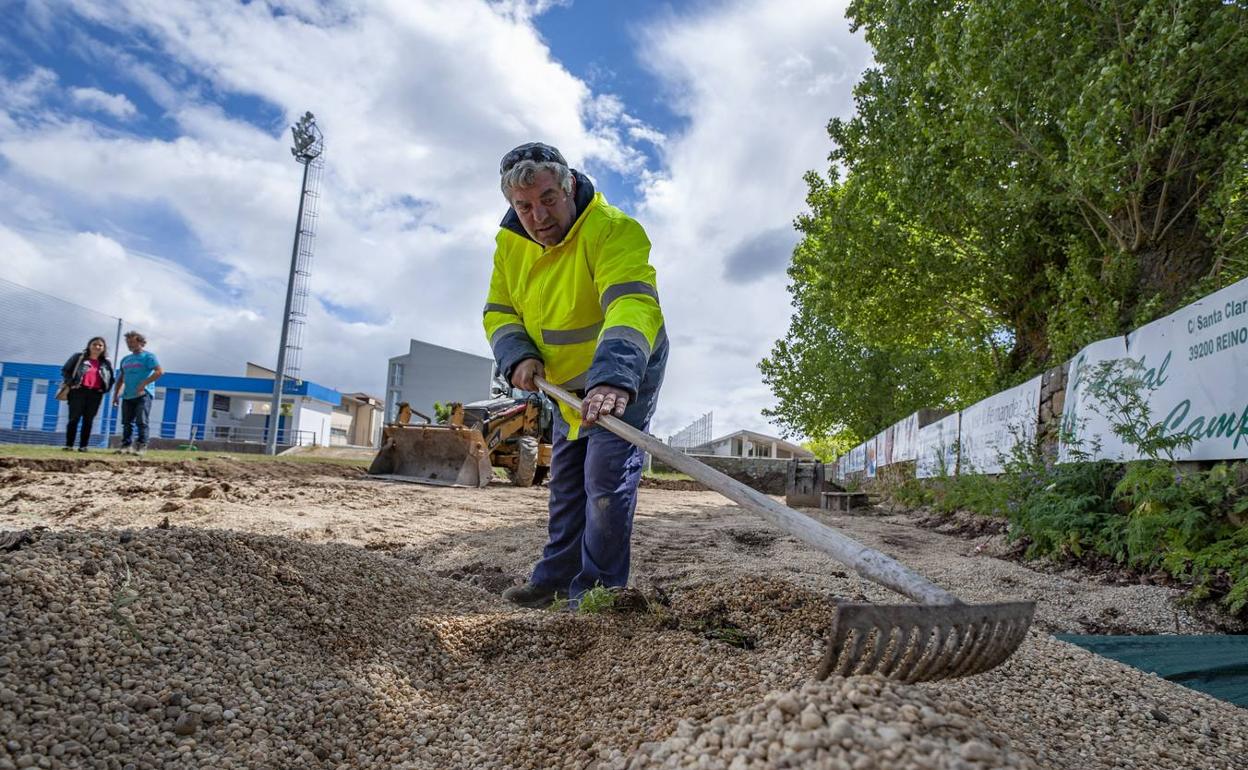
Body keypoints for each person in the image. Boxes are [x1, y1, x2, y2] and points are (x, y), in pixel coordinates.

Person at [484, 142, 668, 608]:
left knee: (604, 476)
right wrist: (518, 355)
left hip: (625, 370)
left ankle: (598, 591)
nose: (538, 215)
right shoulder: (510, 245)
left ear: (568, 187)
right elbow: (499, 311)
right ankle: (556, 578)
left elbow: (632, 303)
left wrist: (614, 377)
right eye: (523, 206)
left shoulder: (613, 230)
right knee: (566, 477)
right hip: (565, 383)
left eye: (548, 198)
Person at [112, 331, 163, 456]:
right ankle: (126, 446)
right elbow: (121, 378)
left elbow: (159, 372)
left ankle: (141, 446)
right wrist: (116, 395)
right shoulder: (125, 359)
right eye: (128, 342)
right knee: (126, 422)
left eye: (133, 342)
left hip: (143, 394)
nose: (130, 344)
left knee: (142, 420)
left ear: (141, 342)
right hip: (128, 395)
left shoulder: (149, 357)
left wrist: (144, 384)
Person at [60, 336, 114, 452]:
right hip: (78, 391)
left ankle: (83, 446)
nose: (97, 347)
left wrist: (105, 389)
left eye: (100, 345)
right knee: (74, 418)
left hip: (95, 394)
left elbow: (111, 379)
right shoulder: (79, 358)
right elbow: (65, 371)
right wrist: (71, 383)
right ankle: (69, 445)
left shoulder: (106, 363)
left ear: (104, 348)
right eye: (95, 344)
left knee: (88, 420)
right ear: (89, 345)